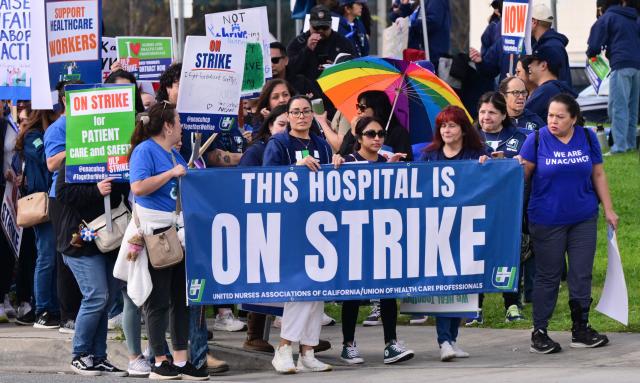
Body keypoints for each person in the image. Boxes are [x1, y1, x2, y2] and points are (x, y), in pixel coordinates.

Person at [517, 94, 617, 354]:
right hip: (546, 220)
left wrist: (609, 209)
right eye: (550, 115)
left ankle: (580, 329)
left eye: (560, 116)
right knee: (548, 276)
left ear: (574, 118)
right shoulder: (536, 140)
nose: (553, 121)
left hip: (583, 217)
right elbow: (520, 175)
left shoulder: (587, 137)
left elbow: (598, 173)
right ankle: (539, 332)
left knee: (581, 274)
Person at [127, 102, 208, 380]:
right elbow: (137, 187)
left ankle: (181, 360)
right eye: (179, 121)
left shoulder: (174, 153)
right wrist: (170, 174)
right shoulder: (145, 150)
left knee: (179, 298)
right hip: (156, 233)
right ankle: (159, 359)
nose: (182, 127)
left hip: (177, 231)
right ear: (168, 126)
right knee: (158, 298)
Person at [331, 117, 413, 366]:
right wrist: (336, 162)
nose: (377, 138)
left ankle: (391, 343)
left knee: (387, 289)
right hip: (355, 234)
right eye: (370, 134)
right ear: (358, 138)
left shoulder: (388, 160)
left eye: (381, 133)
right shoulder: (349, 162)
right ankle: (348, 345)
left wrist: (396, 169)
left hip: (383, 234)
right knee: (354, 291)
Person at [265, 96, 332, 374]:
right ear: (288, 116)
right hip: (290, 223)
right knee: (301, 287)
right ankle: (283, 347)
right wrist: (296, 168)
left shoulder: (322, 145)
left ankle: (308, 350)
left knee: (318, 289)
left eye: (306, 111)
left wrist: (337, 163)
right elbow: (267, 178)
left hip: (320, 222)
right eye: (296, 112)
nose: (302, 116)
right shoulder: (279, 143)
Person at [420, 105, 488, 361]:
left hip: (467, 227)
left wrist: (487, 164)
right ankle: (443, 341)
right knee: (443, 285)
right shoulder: (429, 156)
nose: (446, 130)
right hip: (437, 229)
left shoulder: (476, 153)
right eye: (442, 126)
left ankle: (453, 338)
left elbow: (495, 176)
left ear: (462, 128)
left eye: (451, 125)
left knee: (462, 284)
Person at [54, 156, 128, 376]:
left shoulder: (115, 155)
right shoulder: (74, 156)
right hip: (80, 241)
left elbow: (124, 188)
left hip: (108, 240)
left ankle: (98, 356)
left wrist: (116, 179)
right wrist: (96, 190)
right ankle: (80, 355)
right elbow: (63, 193)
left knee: (105, 301)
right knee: (96, 296)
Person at [465, 92, 528, 326]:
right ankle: (475, 306)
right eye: (482, 112)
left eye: (492, 112)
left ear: (503, 114)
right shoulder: (469, 137)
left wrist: (509, 162)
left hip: (507, 209)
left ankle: (511, 303)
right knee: (476, 253)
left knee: (508, 252)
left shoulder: (519, 137)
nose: (486, 117)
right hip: (477, 208)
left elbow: (527, 166)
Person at [14, 107, 59, 326]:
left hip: (54, 199)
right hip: (41, 202)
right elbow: (44, 157)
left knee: (53, 257)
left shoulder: (42, 134)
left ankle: (53, 305)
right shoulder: (33, 136)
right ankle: (43, 308)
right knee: (46, 256)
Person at [44, 82, 83, 333]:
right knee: (66, 255)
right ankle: (68, 315)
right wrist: (79, 148)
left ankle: (82, 311)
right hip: (62, 198)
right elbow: (51, 163)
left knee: (83, 251)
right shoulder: (58, 128)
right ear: (65, 101)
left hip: (84, 194)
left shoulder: (88, 122)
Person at [587, 0, 640, 154]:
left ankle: (619, 147)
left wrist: (591, 54)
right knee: (632, 108)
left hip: (621, 64)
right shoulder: (633, 16)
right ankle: (630, 144)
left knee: (618, 107)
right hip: (637, 66)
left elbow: (594, 45)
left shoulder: (609, 17)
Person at [287, 5, 357, 80]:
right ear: (310, 24)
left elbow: (353, 69)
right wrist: (307, 50)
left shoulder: (343, 43)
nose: (320, 31)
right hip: (306, 88)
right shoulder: (299, 43)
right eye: (316, 27)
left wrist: (336, 68)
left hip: (333, 84)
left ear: (330, 25)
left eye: (324, 27)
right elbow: (289, 70)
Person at [338, 90, 413, 160]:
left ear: (377, 108)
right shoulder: (356, 127)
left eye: (362, 107)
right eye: (358, 106)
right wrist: (353, 134)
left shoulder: (398, 132)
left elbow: (406, 163)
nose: (358, 111)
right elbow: (342, 157)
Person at [525, 47, 577, 122]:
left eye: (532, 62)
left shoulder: (546, 91)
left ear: (543, 65)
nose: (529, 66)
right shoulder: (556, 88)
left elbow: (521, 117)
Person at [530, 3, 572, 87]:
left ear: (534, 22)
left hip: (553, 98)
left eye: (527, 21)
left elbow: (558, 81)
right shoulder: (547, 45)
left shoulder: (551, 47)